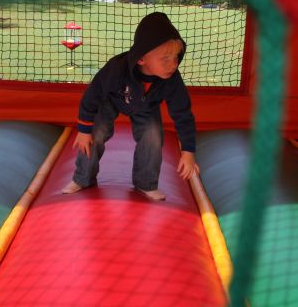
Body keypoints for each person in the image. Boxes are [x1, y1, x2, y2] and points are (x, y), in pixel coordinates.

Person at [62, 12, 200, 201]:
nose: (173, 64)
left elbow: (183, 113)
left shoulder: (172, 80)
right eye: (165, 59)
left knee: (153, 136)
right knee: (96, 133)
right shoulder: (117, 69)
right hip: (111, 99)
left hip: (146, 104)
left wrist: (188, 151)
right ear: (142, 59)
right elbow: (92, 94)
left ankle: (146, 183)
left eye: (176, 57)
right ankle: (82, 178)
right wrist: (84, 130)